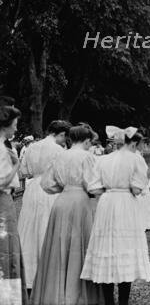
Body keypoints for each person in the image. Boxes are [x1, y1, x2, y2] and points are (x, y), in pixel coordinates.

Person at [31, 124, 103, 305]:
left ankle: (56, 292)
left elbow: (47, 184)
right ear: (87, 140)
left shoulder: (60, 155)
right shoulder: (87, 157)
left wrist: (64, 187)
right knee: (80, 243)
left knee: (59, 244)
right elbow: (93, 185)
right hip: (80, 202)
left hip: (62, 201)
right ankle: (77, 292)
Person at [81, 128, 150, 305]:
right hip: (125, 203)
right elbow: (137, 188)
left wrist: (109, 189)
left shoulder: (103, 159)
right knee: (124, 248)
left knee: (107, 248)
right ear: (133, 143)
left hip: (107, 203)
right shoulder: (136, 159)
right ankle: (123, 302)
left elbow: (94, 188)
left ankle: (108, 302)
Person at [17, 119, 68, 290]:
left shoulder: (32, 147)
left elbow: (24, 172)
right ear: (60, 134)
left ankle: (29, 274)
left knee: (30, 230)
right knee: (47, 228)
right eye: (64, 137)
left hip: (32, 190)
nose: (64, 140)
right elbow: (62, 175)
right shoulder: (58, 150)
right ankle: (48, 274)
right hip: (50, 189)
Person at [0, 101, 28, 304]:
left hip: (5, 201)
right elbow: (1, 182)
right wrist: (16, 164)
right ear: (6, 124)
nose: (16, 128)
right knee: (6, 248)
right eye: (15, 124)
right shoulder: (2, 149)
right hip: (2, 202)